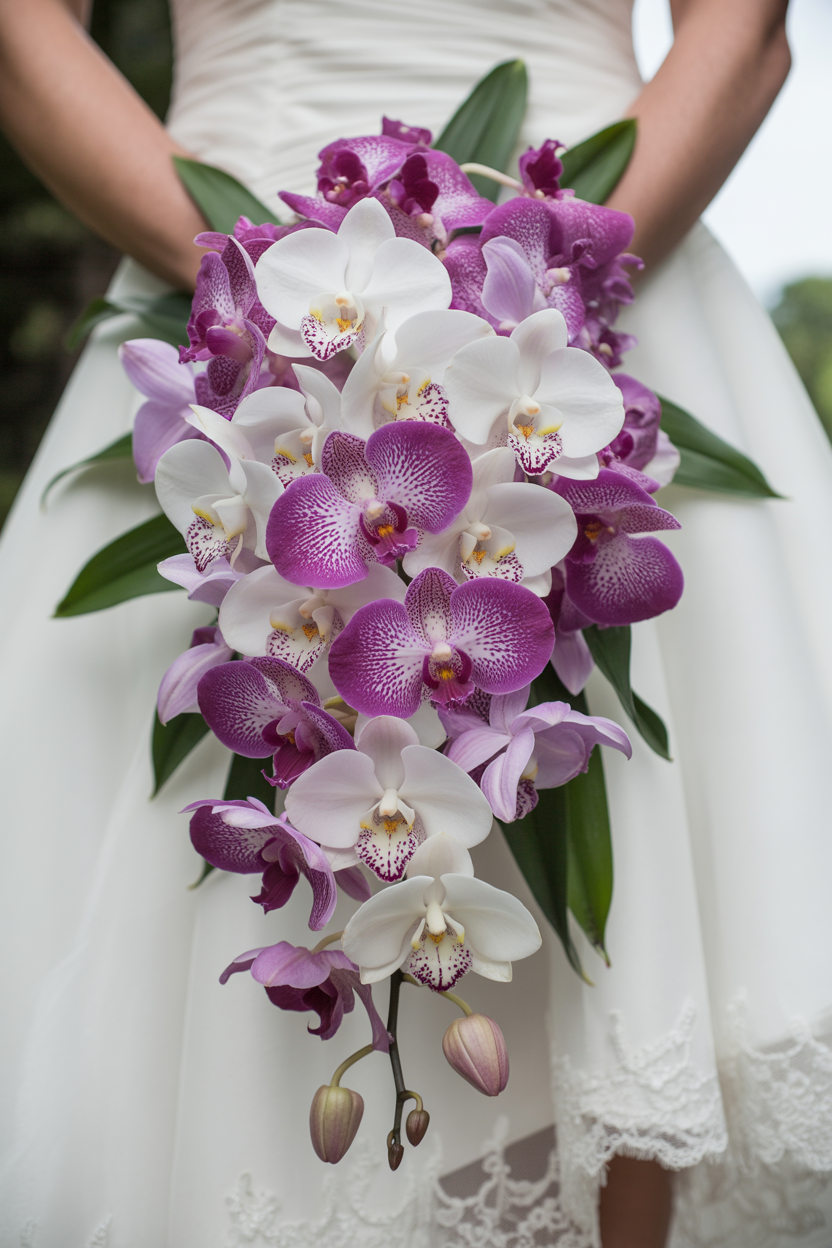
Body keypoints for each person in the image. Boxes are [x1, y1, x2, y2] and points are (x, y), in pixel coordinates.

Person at [1, 1, 831, 1246]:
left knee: (629, 980)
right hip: (227, 302)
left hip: (578, 308)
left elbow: (746, 28)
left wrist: (535, 281)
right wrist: (260, 301)